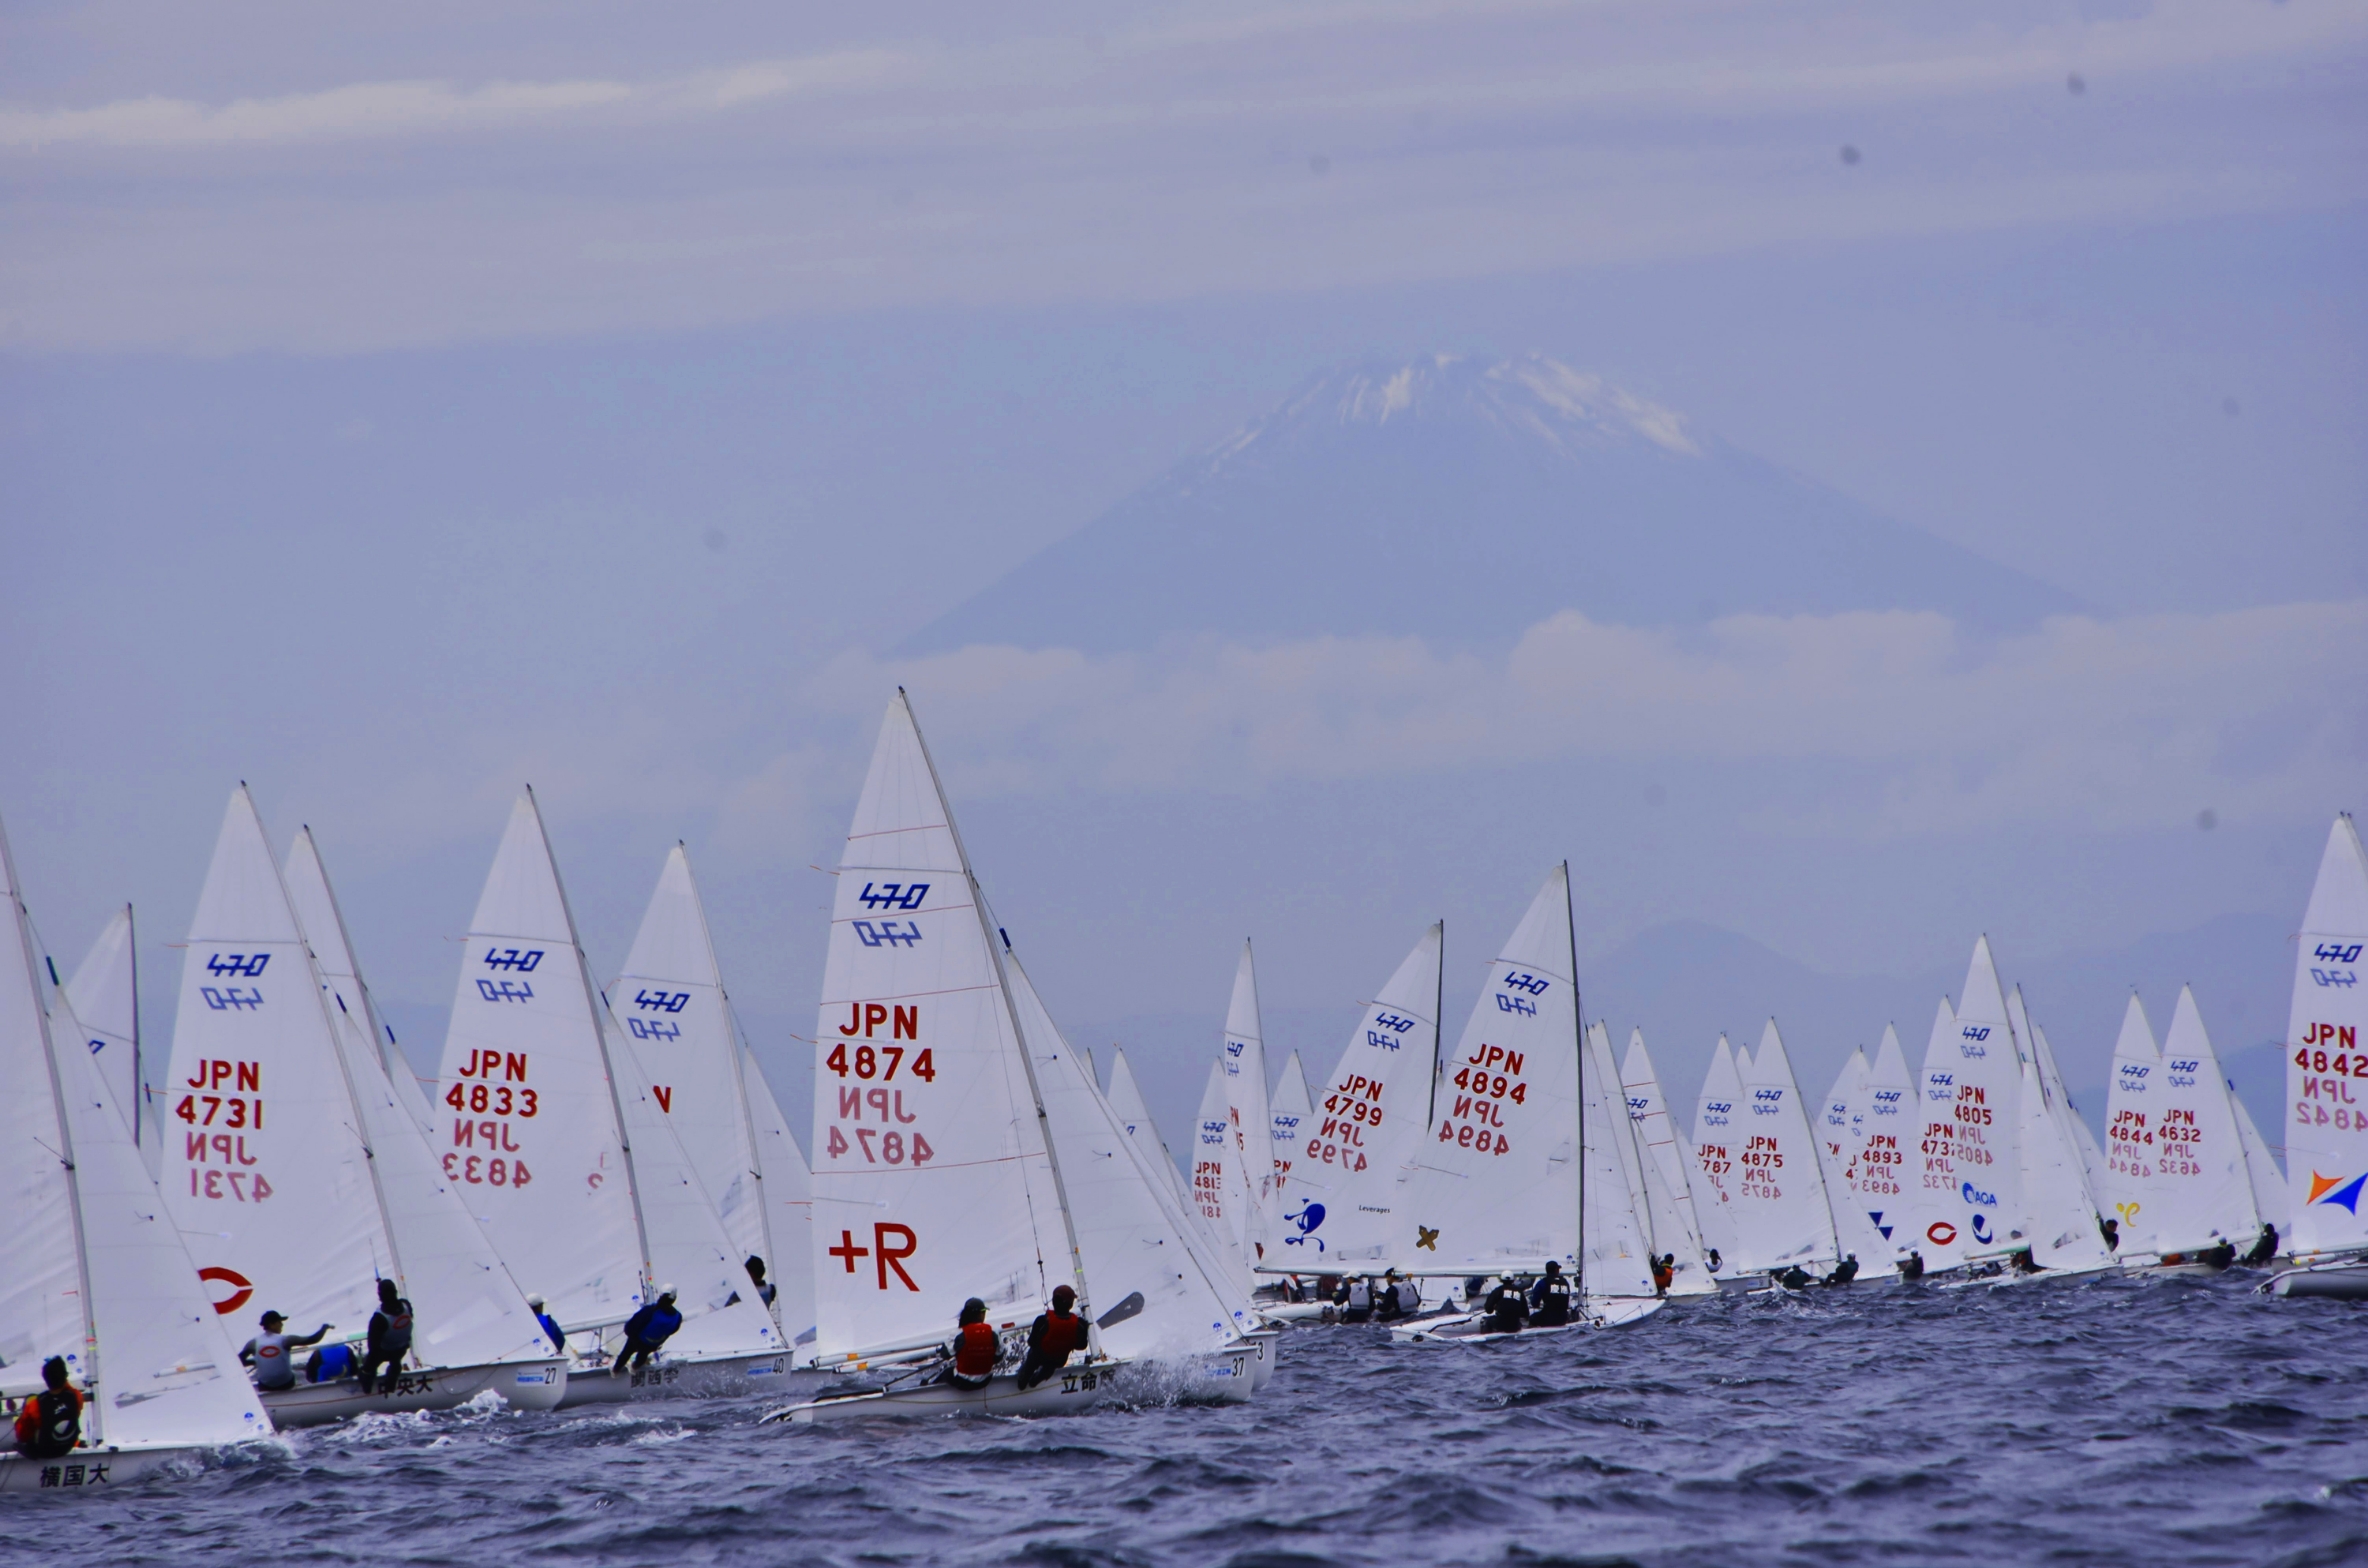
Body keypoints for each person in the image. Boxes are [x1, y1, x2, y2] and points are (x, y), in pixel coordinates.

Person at [1015, 1285, 1087, 1390]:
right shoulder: (1080, 1324)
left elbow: (1032, 1342)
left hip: (1040, 1356)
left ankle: (1023, 1381)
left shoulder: (1042, 1321)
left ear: (1053, 1301)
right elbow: (1082, 1345)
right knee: (1051, 1364)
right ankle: (1037, 1380)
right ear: (1070, 1304)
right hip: (1059, 1360)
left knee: (1033, 1357)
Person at [241, 1311, 332, 1391]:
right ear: (271, 1324)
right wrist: (325, 1327)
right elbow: (314, 1339)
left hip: (265, 1386)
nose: (282, 1324)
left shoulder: (253, 1343)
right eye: (279, 1322)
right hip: (286, 1384)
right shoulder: (286, 1340)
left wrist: (256, 1361)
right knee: (302, 1374)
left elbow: (239, 1362)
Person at [13, 1358, 81, 1460]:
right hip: (67, 1447)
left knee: (18, 1440)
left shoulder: (35, 1404)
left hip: (44, 1451)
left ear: (45, 1379)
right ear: (65, 1376)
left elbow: (23, 1435)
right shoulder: (76, 1396)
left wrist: (17, 1420)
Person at [362, 1278, 414, 1394]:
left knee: (367, 1366)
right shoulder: (406, 1305)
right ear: (395, 1292)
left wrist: (368, 1368)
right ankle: (393, 1378)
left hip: (385, 1351)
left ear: (380, 1296)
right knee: (395, 1360)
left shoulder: (378, 1319)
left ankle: (367, 1390)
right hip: (401, 1349)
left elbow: (373, 1348)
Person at [618, 1285, 684, 1373]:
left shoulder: (650, 1310)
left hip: (637, 1340)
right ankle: (635, 1366)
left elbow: (631, 1325)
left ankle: (615, 1370)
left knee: (626, 1353)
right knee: (642, 1355)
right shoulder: (677, 1316)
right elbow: (673, 1330)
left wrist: (630, 1334)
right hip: (652, 1345)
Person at [945, 1297, 998, 1389]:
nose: (984, 1315)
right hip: (986, 1380)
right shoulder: (993, 1332)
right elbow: (998, 1357)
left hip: (963, 1382)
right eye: (983, 1312)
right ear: (980, 1314)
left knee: (946, 1373)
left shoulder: (958, 1333)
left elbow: (946, 1354)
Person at [1529, 1261, 1572, 1327]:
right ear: (1556, 1270)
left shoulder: (1542, 1282)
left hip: (1548, 1318)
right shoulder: (1565, 1282)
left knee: (1532, 1318)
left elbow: (1535, 1303)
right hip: (1563, 1318)